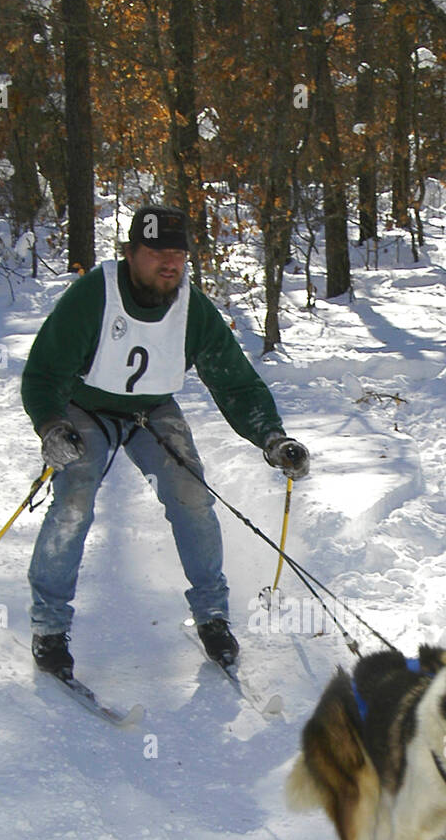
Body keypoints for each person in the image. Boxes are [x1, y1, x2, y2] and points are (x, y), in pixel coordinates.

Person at [21, 203, 309, 676]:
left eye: (177, 253)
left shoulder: (192, 309)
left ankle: (212, 615)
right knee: (74, 499)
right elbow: (44, 371)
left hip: (151, 411)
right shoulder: (96, 294)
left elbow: (234, 383)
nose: (169, 263)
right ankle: (49, 625)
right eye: (156, 252)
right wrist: (51, 426)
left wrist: (272, 438)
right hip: (85, 407)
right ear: (131, 253)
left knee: (191, 493)